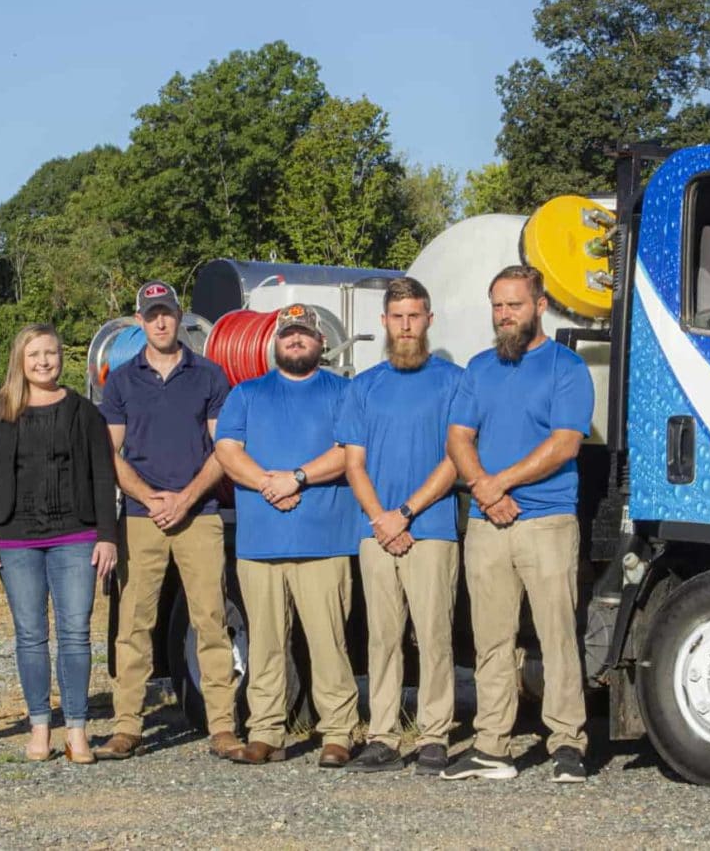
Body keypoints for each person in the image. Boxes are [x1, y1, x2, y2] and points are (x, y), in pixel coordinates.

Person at [443, 265, 594, 783]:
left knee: (556, 636)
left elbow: (564, 444)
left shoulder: (566, 367)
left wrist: (497, 483)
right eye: (497, 306)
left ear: (540, 306)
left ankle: (568, 742)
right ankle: (492, 745)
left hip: (546, 520)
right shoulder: (479, 368)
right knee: (491, 639)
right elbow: (459, 438)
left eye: (515, 305)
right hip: (488, 524)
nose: (504, 316)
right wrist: (485, 488)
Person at [96, 281, 242, 761]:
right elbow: (108, 453)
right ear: (139, 321)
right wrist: (149, 496)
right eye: (151, 314)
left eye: (168, 313)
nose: (160, 321)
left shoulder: (210, 375)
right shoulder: (120, 381)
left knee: (211, 619)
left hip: (198, 514)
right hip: (141, 517)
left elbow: (224, 450)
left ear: (180, 317)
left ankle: (222, 726)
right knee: (135, 624)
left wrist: (186, 497)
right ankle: (127, 726)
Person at [213, 304, 361, 768]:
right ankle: (265, 732)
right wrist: (267, 483)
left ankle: (337, 732)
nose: (295, 340)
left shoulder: (343, 392)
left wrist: (296, 477)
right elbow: (227, 450)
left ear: (321, 343)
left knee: (328, 642)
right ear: (275, 342)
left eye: (304, 334)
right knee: (266, 643)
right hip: (260, 542)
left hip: (326, 540)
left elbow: (348, 453)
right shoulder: (247, 393)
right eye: (288, 334)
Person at [0, 324, 118, 764]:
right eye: (34, 354)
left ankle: (76, 730)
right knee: (31, 635)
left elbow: (103, 475)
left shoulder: (83, 412)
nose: (43, 362)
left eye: (50, 353)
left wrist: (107, 536)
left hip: (76, 536)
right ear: (20, 359)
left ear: (60, 358)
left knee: (75, 633)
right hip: (16, 539)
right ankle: (39, 727)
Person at [335, 279, 462, 775]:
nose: (406, 326)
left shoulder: (454, 380)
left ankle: (434, 736)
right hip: (376, 532)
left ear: (428, 319)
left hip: (431, 530)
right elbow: (354, 464)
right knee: (382, 638)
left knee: (435, 636)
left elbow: (457, 457)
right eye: (397, 317)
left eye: (414, 316)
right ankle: (383, 735)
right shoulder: (363, 386)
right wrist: (381, 519)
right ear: (384, 323)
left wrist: (406, 513)